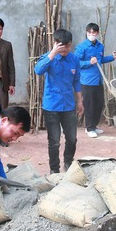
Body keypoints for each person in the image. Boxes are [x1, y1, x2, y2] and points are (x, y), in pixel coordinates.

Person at [34, 29, 84, 174]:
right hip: (52, 106)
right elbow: (38, 70)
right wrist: (53, 53)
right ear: (55, 44)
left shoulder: (74, 59)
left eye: (68, 46)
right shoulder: (48, 58)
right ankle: (54, 170)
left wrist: (80, 101)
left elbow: (76, 81)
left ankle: (68, 163)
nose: (66, 49)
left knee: (72, 139)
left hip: (68, 105)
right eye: (63, 46)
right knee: (54, 141)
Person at [74, 23, 116, 138]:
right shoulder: (81, 47)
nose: (91, 35)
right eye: (89, 33)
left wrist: (112, 57)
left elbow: (101, 60)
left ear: (97, 33)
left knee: (99, 104)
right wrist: (89, 62)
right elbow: (76, 63)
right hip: (87, 81)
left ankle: (94, 126)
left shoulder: (100, 46)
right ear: (86, 33)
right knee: (89, 105)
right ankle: (89, 128)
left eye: (94, 33)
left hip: (98, 80)